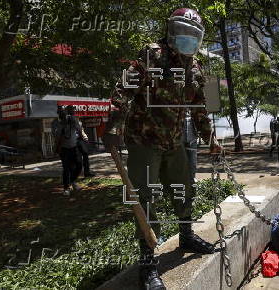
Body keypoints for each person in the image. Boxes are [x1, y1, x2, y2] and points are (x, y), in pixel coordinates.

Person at [103, 8, 220, 290]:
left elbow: (202, 108)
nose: (188, 39)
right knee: (146, 199)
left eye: (194, 35)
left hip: (175, 141)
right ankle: (148, 263)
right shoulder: (152, 55)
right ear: (171, 31)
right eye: (184, 32)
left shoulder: (196, 68)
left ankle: (187, 234)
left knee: (185, 188)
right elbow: (123, 89)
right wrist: (111, 126)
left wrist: (211, 139)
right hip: (144, 142)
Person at [53, 105, 84, 196]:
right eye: (60, 112)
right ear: (58, 114)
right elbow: (56, 136)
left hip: (74, 147)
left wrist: (73, 121)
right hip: (64, 149)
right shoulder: (56, 123)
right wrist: (62, 127)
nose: (62, 114)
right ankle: (66, 188)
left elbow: (79, 129)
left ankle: (72, 181)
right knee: (66, 169)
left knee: (79, 165)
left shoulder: (72, 120)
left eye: (64, 112)